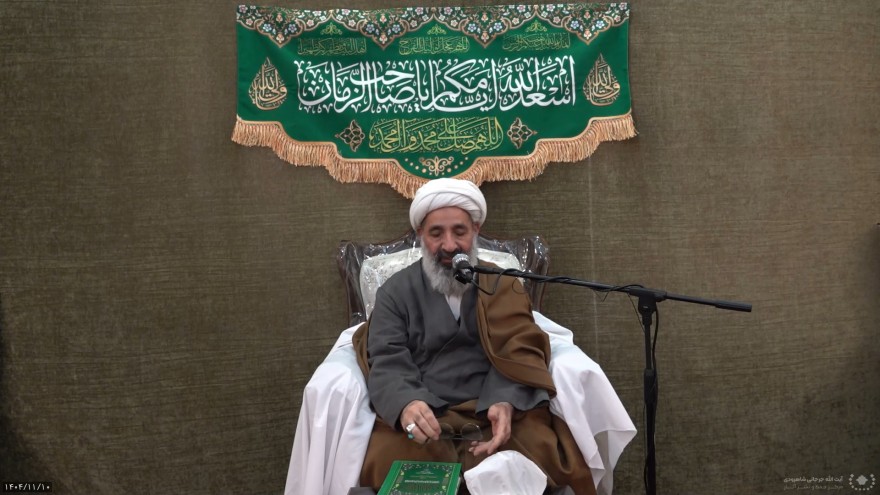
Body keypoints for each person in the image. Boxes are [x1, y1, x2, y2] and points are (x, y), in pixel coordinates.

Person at [352, 178, 596, 494]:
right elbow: (387, 357)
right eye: (436, 233)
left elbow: (520, 347)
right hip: (428, 414)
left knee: (542, 451)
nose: (449, 245)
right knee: (389, 461)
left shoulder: (502, 284)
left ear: (475, 230)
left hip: (493, 410)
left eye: (460, 232)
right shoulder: (395, 292)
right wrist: (406, 403)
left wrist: (505, 399)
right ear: (421, 235)